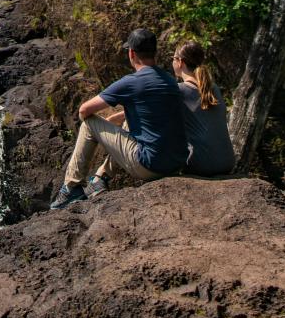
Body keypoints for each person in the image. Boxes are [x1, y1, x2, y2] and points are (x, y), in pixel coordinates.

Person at [51, 28, 188, 208]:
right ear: (154, 52)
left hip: (150, 166)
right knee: (129, 120)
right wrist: (112, 125)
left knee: (89, 123)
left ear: (131, 53)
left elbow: (84, 110)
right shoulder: (170, 80)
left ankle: (71, 188)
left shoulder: (131, 82)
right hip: (177, 162)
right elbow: (148, 114)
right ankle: (100, 178)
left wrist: (102, 129)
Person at [173, 40, 235, 176]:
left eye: (173, 58)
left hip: (200, 165)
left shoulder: (179, 91)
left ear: (180, 62)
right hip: (227, 162)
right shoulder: (214, 89)